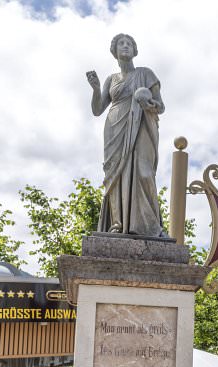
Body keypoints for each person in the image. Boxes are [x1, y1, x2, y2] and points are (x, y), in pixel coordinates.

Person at [86, 33, 166, 236]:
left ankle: (149, 225)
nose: (125, 46)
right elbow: (97, 109)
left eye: (129, 43)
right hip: (114, 126)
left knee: (143, 171)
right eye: (121, 44)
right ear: (115, 51)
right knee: (115, 175)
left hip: (141, 124)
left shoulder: (146, 73)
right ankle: (117, 224)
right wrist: (96, 89)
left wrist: (147, 103)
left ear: (134, 50)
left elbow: (161, 106)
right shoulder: (110, 80)